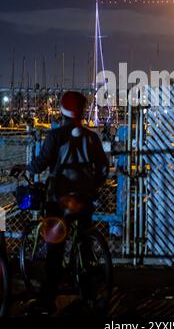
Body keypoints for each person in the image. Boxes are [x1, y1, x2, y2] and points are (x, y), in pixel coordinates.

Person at [11, 91, 109, 315]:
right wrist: (92, 187)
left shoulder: (55, 136)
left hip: (60, 199)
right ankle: (89, 292)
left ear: (62, 110)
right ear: (82, 112)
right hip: (84, 198)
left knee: (55, 251)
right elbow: (103, 168)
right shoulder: (92, 137)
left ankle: (47, 301)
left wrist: (26, 168)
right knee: (84, 240)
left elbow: (41, 162)